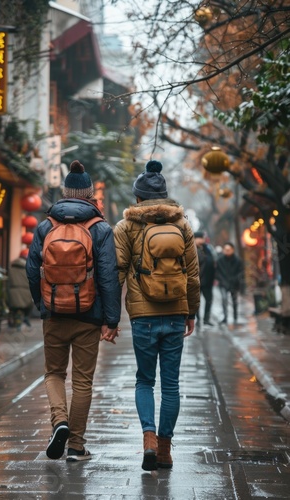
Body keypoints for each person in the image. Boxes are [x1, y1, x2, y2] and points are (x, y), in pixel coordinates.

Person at [26, 160, 121, 462]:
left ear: (65, 193)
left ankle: (60, 422)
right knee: (82, 381)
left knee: (54, 373)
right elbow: (108, 276)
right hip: (88, 316)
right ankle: (77, 446)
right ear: (91, 195)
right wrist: (111, 319)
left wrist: (42, 305)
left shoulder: (45, 226)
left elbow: (31, 271)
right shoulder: (100, 228)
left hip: (53, 313)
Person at [114, 160, 200, 471]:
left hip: (143, 316)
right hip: (177, 312)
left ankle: (148, 439)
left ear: (137, 198)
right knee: (171, 385)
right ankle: (165, 450)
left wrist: (111, 319)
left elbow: (117, 273)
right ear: (165, 197)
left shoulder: (125, 228)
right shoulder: (182, 225)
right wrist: (192, 312)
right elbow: (193, 274)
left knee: (145, 380)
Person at [216, 242, 244, 325]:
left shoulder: (238, 260)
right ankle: (225, 317)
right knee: (224, 299)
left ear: (233, 250)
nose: (227, 251)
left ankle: (235, 317)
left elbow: (241, 272)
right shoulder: (219, 260)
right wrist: (222, 281)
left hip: (234, 283)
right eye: (225, 250)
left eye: (229, 250)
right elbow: (217, 273)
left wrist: (235, 279)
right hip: (223, 283)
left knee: (234, 300)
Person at [194, 231, 216, 327]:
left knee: (209, 300)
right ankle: (198, 319)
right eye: (202, 238)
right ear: (196, 238)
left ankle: (206, 319)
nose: (203, 240)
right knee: (196, 301)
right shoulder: (192, 249)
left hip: (207, 280)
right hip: (197, 280)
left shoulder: (206, 248)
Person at [7, 249, 33, 330]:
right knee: (26, 307)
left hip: (12, 292)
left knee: (14, 308)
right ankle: (24, 319)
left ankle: (13, 321)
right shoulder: (29, 267)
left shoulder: (11, 267)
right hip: (26, 292)